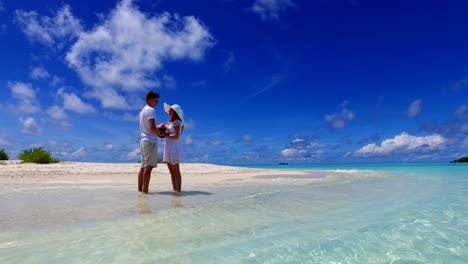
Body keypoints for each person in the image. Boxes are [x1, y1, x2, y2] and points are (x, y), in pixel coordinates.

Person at [138, 91, 164, 194]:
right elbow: (152, 128)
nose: (156, 103)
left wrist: (156, 129)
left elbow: (149, 127)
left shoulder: (142, 111)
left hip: (143, 140)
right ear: (150, 100)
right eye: (156, 101)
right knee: (148, 168)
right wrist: (160, 134)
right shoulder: (151, 110)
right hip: (150, 141)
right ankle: (145, 192)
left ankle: (140, 191)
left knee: (143, 167)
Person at [163, 102, 184, 192]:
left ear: (175, 112)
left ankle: (178, 191)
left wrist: (165, 135)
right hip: (168, 146)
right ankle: (175, 190)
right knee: (171, 171)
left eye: (171, 110)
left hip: (174, 147)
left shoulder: (177, 122)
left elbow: (176, 136)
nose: (169, 112)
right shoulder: (170, 122)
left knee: (176, 171)